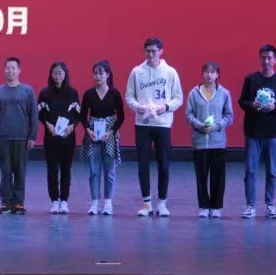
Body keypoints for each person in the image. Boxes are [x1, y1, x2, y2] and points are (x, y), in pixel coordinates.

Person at [125, 37, 184, 217]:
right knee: (143, 164)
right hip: (142, 124)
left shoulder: (170, 72)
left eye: (154, 51)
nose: (151, 55)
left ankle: (162, 203)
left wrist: (165, 107)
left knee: (163, 164)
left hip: (163, 124)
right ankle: (146, 203)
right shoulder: (137, 72)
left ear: (161, 51)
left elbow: (178, 98)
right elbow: (129, 96)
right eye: (148, 51)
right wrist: (138, 107)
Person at [237, 44, 276, 219]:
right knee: (250, 171)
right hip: (253, 132)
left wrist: (274, 107)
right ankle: (250, 206)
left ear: (275, 60)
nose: (266, 61)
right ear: (260, 59)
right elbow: (242, 101)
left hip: (272, 133)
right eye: (263, 57)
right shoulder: (251, 79)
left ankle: (270, 205)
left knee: (272, 171)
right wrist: (252, 104)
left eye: (269, 58)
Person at [184, 62, 234, 218]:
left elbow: (229, 116)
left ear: (217, 75)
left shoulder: (224, 93)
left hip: (218, 142)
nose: (209, 75)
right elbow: (189, 115)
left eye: (212, 72)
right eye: (206, 71)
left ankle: (216, 207)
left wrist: (217, 126)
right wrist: (200, 126)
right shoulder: (194, 93)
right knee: (201, 177)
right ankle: (204, 206)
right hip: (200, 143)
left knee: (218, 177)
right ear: (202, 74)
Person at [0, 57, 38, 215]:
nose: (10, 71)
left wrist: (32, 136)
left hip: (22, 138)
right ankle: (6, 202)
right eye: (8, 68)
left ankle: (18, 203)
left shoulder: (28, 91)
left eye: (13, 68)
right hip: (3, 137)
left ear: (19, 71)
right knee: (6, 171)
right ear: (4, 70)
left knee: (20, 171)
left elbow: (33, 115)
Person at [80, 60, 126, 215]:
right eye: (95, 73)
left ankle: (108, 202)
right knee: (94, 170)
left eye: (101, 73)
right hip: (93, 133)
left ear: (108, 74)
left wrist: (111, 132)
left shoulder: (114, 93)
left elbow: (121, 117)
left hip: (109, 134)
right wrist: (88, 130)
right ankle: (94, 202)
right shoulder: (89, 94)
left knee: (109, 170)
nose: (98, 76)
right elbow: (82, 115)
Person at [38, 61, 81, 214]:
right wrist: (47, 124)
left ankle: (64, 201)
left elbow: (78, 114)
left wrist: (72, 126)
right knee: (52, 170)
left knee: (66, 170)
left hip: (68, 139)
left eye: (60, 73)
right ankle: (54, 201)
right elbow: (40, 113)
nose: (57, 76)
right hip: (51, 138)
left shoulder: (73, 93)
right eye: (54, 73)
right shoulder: (45, 93)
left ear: (65, 75)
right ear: (51, 75)